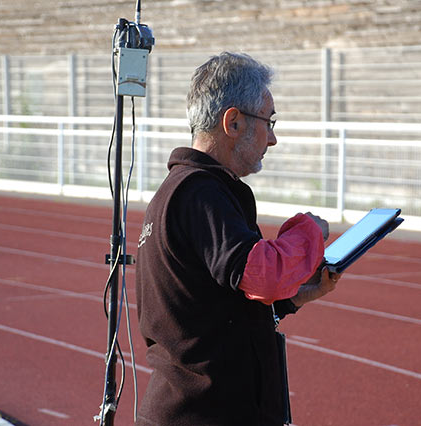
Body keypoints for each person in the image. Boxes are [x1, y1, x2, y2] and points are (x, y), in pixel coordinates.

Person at [135, 52, 341, 426]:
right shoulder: (199, 193)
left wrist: (296, 296)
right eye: (269, 122)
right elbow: (264, 275)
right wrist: (309, 230)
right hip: (203, 414)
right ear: (233, 122)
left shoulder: (186, 191)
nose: (273, 139)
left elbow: (208, 312)